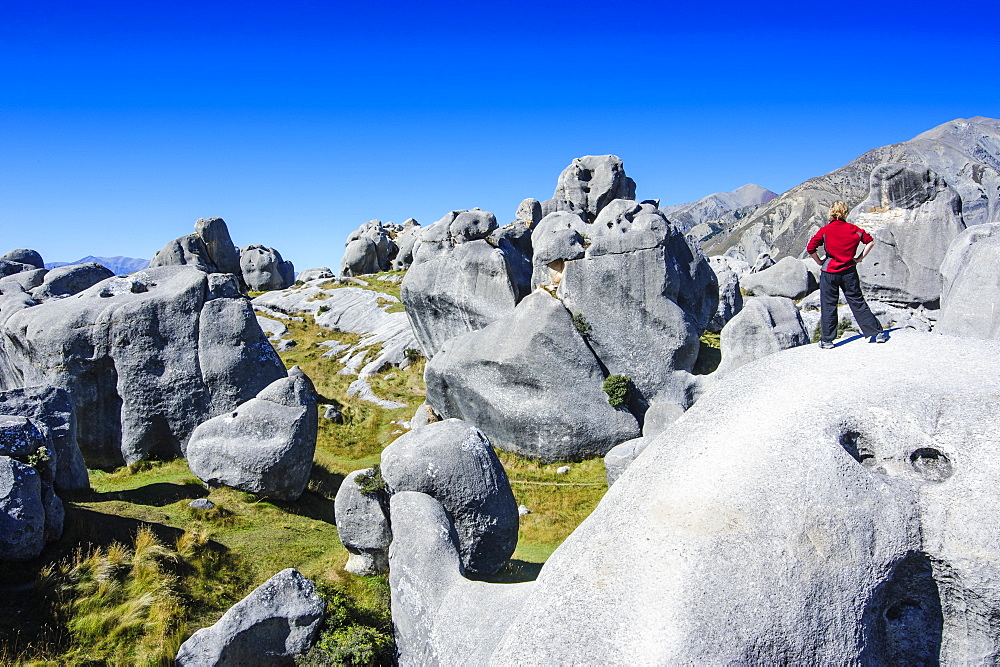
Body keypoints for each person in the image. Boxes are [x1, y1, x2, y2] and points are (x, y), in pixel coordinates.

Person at [806, 200, 888, 348]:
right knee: (857, 301)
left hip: (829, 272)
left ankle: (827, 340)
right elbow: (870, 242)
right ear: (845, 212)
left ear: (831, 212)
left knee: (829, 305)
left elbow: (811, 248)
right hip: (849, 270)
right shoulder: (854, 229)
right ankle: (877, 333)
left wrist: (819, 262)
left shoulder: (825, 230)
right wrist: (859, 258)